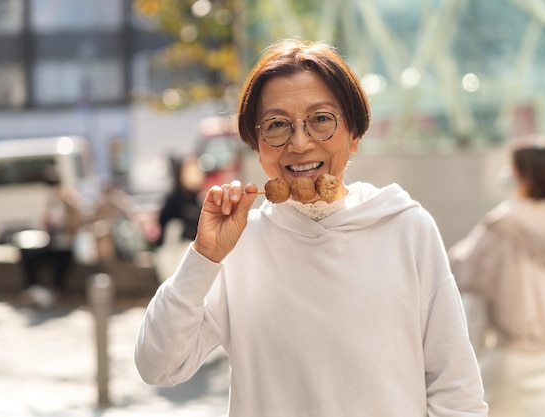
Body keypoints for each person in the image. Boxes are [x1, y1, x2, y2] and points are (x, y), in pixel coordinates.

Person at [135, 39, 488, 416]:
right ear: (258, 146)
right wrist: (204, 257)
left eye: (321, 119)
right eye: (276, 125)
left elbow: (457, 393)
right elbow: (158, 365)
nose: (300, 143)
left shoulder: (405, 227)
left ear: (354, 135)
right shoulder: (240, 245)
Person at [448, 136, 545, 417]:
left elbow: (461, 269)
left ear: (523, 174)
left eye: (512, 166)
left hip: (515, 359)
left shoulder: (504, 224)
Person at [19, 166, 83, 307]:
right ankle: (34, 289)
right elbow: (44, 224)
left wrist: (62, 224)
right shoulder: (51, 201)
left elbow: (76, 225)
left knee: (62, 261)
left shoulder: (70, 201)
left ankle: (54, 291)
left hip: (66, 245)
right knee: (28, 255)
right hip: (51, 242)